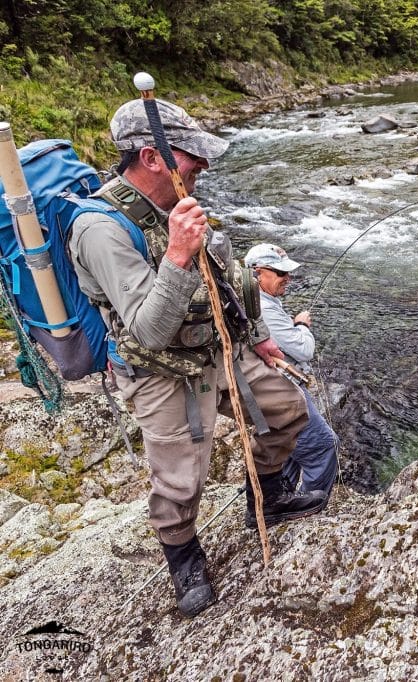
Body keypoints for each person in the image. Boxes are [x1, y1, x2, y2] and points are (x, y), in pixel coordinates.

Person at [68, 98, 327, 618]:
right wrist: (179, 254)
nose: (203, 167)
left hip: (223, 350)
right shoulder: (101, 229)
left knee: (287, 411)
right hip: (162, 372)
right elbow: (150, 328)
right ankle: (184, 559)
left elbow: (230, 282)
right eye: (192, 156)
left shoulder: (175, 206)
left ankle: (269, 497)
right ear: (151, 157)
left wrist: (258, 336)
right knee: (181, 481)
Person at [243, 243, 339, 496]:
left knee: (287, 446)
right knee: (323, 446)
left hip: (269, 387)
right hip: (278, 389)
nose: (288, 278)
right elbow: (304, 350)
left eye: (288, 273)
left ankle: (277, 498)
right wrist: (301, 325)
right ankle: (309, 506)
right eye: (281, 273)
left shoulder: (259, 300)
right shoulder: (264, 309)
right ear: (257, 273)